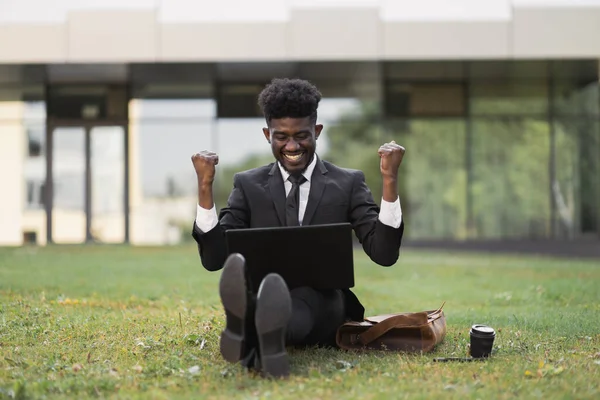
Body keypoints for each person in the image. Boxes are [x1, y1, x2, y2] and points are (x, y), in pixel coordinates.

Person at [191, 78, 405, 378]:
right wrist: (204, 187)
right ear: (268, 134)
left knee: (307, 298)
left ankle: (249, 325)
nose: (292, 146)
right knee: (268, 290)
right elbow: (214, 259)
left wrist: (389, 180)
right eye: (281, 137)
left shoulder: (347, 183)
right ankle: (264, 328)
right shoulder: (248, 185)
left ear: (316, 131)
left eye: (301, 136)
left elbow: (384, 253)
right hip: (265, 287)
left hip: (326, 303)